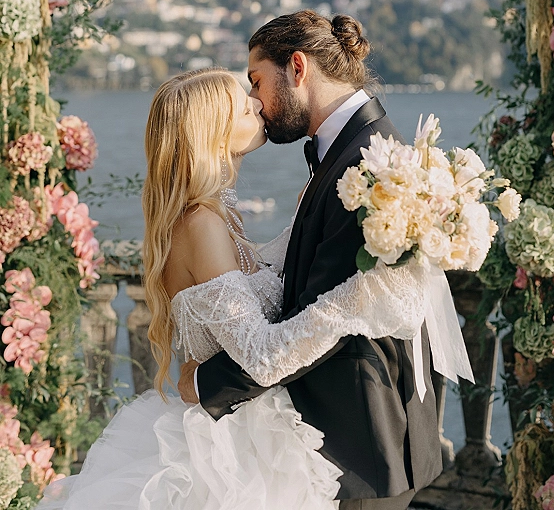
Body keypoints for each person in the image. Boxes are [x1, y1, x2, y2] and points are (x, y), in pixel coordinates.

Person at [39, 64, 430, 510]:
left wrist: (305, 217)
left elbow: (262, 281)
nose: (257, 103)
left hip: (257, 431)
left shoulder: (219, 216)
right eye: (241, 104)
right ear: (213, 132)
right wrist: (358, 300)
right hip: (230, 454)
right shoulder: (200, 225)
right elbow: (261, 355)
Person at [183, 11, 444, 510]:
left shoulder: (368, 163)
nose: (256, 102)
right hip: (347, 438)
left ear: (297, 68)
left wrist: (204, 383)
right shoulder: (355, 149)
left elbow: (321, 316)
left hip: (361, 442)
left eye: (257, 82)